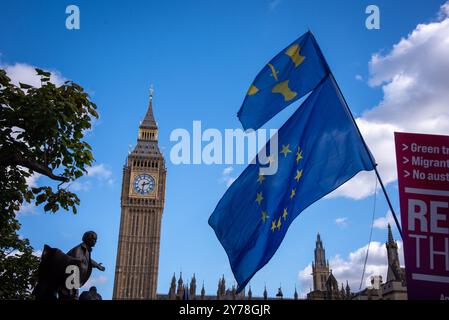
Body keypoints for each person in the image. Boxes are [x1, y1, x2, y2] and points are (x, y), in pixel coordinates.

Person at [59, 231, 105, 299]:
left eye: (96, 240)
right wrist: (72, 288)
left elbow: (88, 260)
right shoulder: (78, 250)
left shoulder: (85, 250)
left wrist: (97, 265)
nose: (95, 241)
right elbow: (73, 267)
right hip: (68, 283)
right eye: (94, 239)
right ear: (88, 239)